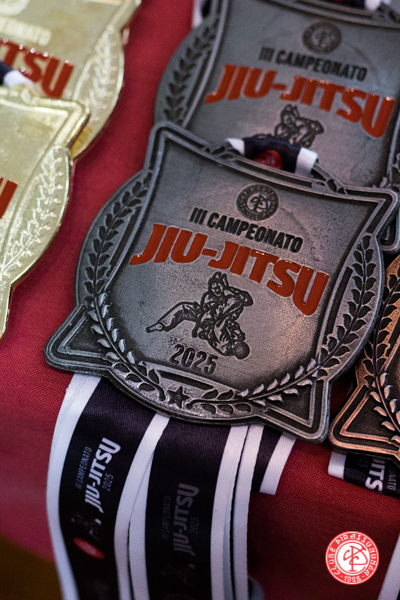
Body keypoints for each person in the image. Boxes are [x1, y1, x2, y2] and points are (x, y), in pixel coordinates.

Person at [146, 272, 253, 359]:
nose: (216, 289)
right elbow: (206, 309)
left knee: (235, 301)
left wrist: (227, 289)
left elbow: (218, 326)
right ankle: (162, 324)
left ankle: (163, 325)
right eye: (214, 287)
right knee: (184, 307)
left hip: (210, 323)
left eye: (219, 286)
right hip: (206, 317)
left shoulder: (224, 345)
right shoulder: (209, 297)